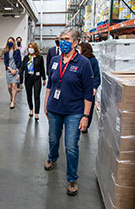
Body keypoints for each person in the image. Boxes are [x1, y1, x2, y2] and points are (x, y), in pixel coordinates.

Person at [44, 27, 94, 196]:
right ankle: (52, 157)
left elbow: (88, 92)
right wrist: (46, 103)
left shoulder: (84, 64)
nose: (63, 42)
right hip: (54, 109)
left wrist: (86, 116)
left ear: (75, 42)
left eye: (66, 39)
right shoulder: (55, 60)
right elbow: (50, 84)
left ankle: (72, 179)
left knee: (71, 146)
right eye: (61, 39)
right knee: (52, 138)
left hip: (74, 111)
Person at [17, 42, 46, 122]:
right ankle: (31, 109)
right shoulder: (26, 58)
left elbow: (42, 68)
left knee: (37, 96)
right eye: (29, 47)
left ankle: (37, 113)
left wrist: (44, 78)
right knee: (29, 95)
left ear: (35, 49)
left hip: (37, 78)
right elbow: (22, 67)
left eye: (32, 47)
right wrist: (19, 74)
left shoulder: (39, 58)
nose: (30, 49)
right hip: (28, 78)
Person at [78, 42, 100, 133]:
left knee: (88, 108)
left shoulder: (92, 60)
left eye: (79, 48)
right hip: (79, 88)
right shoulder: (78, 60)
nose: (78, 50)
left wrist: (94, 87)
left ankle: (85, 126)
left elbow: (97, 75)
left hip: (89, 88)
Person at [4, 37, 21, 109]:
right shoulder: (6, 51)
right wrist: (10, 69)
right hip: (9, 70)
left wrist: (16, 69)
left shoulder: (17, 51)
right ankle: (11, 95)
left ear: (14, 42)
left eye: (11, 41)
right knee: (9, 87)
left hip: (15, 69)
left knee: (14, 85)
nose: (10, 43)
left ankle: (13, 101)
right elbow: (5, 62)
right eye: (8, 42)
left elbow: (19, 61)